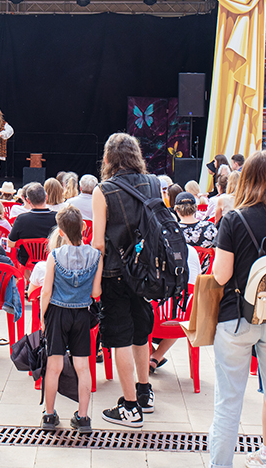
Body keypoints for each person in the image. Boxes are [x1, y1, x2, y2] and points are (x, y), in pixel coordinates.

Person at [209, 150, 266, 468]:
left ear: (246, 178)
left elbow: (221, 275)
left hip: (236, 318)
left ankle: (220, 464)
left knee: (228, 402)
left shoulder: (234, 219)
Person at [92, 133, 156, 426]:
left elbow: (99, 244)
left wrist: (94, 283)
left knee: (119, 339)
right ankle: (144, 393)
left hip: (115, 273)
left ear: (107, 159)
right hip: (147, 273)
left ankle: (130, 407)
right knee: (141, 333)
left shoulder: (102, 191)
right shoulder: (155, 183)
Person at [39, 205, 103, 433]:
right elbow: (96, 293)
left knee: (54, 366)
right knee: (82, 367)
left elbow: (46, 291)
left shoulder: (54, 255)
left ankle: (49, 414)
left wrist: (42, 316)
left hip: (57, 311)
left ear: (62, 232)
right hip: (82, 313)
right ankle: (83, 417)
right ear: (84, 227)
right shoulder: (96, 256)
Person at [149, 191, 206, 373]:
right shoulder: (192, 251)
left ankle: (152, 356)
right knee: (180, 307)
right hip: (186, 317)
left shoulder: (153, 253)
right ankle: (155, 357)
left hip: (157, 318)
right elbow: (197, 282)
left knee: (143, 312)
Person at [7, 183, 58, 267]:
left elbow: (10, 243)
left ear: (28, 200)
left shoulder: (21, 219)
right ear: (46, 197)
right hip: (51, 260)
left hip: (27, 263)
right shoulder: (58, 217)